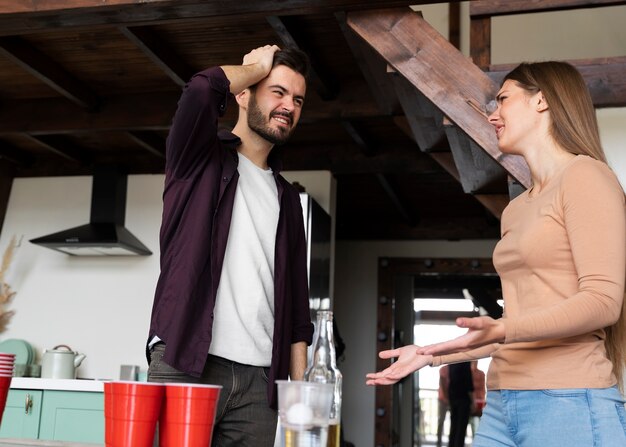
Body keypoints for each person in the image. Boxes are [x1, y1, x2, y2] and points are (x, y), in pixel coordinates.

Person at [366, 61, 626, 446]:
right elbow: (517, 325)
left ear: (541, 101)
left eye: (503, 99)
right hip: (504, 402)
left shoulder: (586, 177)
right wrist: (429, 355)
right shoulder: (517, 209)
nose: (493, 114)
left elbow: (604, 302)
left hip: (570, 401)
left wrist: (506, 327)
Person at [146, 45, 314, 447]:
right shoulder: (197, 160)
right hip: (186, 362)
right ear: (244, 93)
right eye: (277, 91)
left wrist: (298, 396)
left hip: (260, 385)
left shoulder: (288, 199)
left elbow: (296, 313)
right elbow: (201, 89)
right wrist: (254, 67)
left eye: (297, 99)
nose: (288, 106)